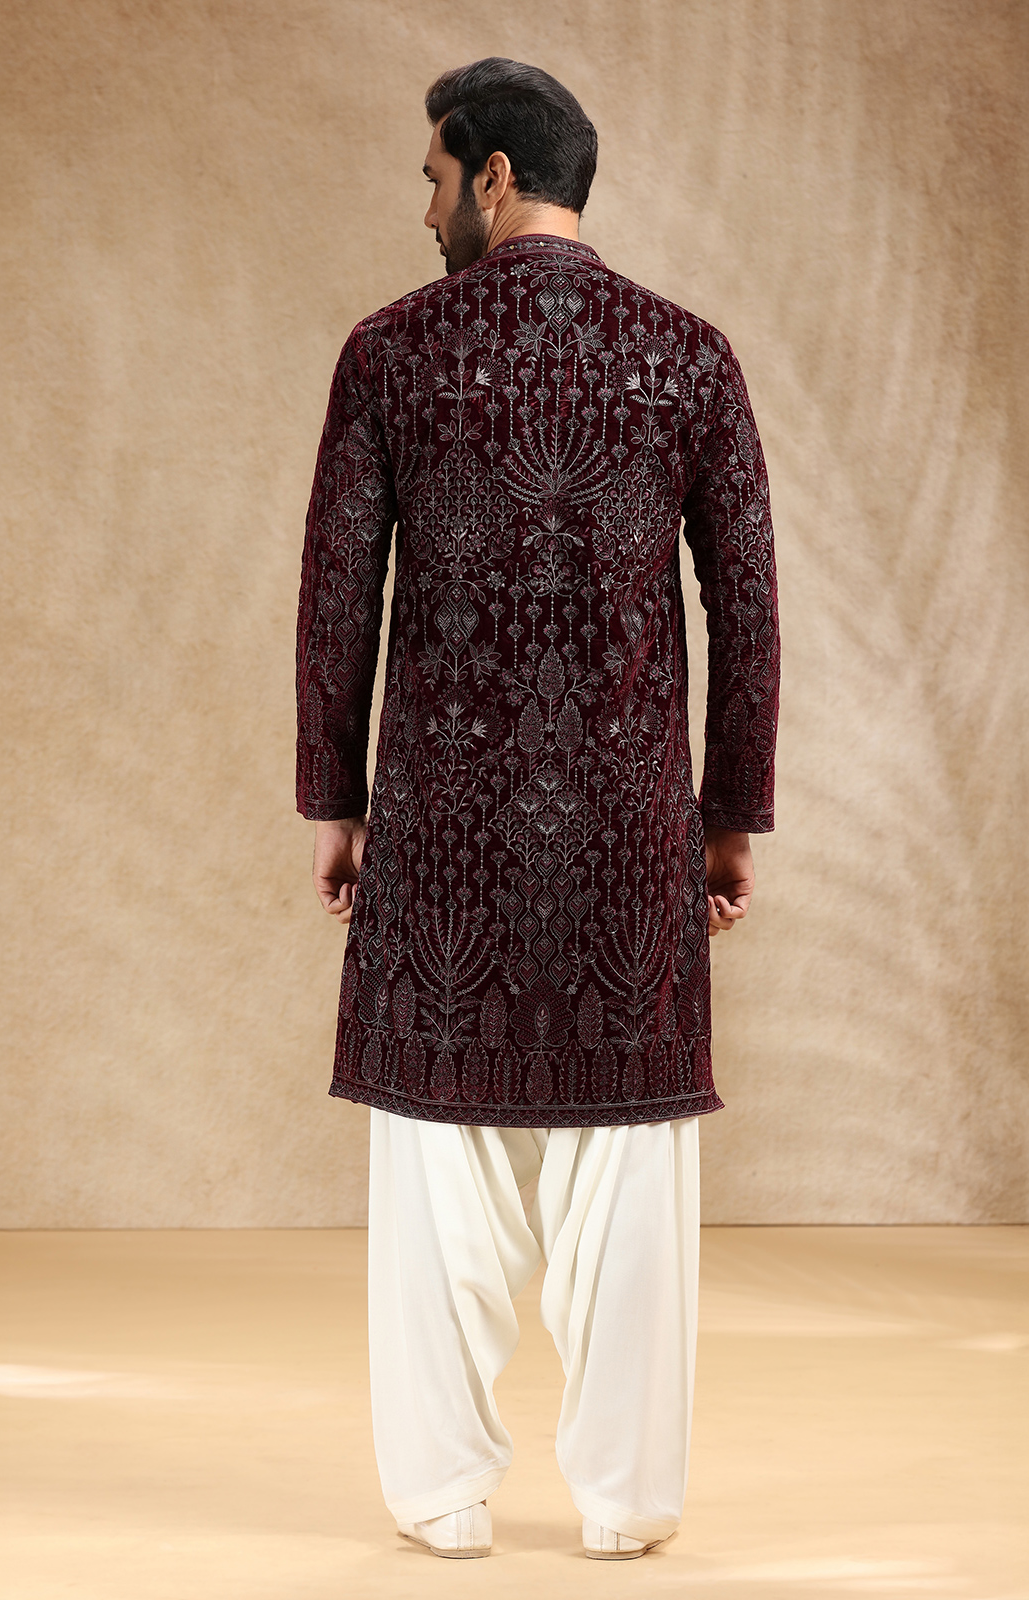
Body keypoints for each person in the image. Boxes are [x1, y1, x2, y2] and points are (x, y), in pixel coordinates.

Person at [295, 57, 779, 1561]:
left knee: (434, 1166)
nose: (426, 206)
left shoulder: (389, 354)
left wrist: (337, 801)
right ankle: (628, 1505)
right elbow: (749, 610)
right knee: (629, 1167)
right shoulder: (690, 357)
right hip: (629, 827)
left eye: (434, 177)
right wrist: (728, 815)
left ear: (495, 176)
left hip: (440, 827)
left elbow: (336, 598)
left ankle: (442, 1499)